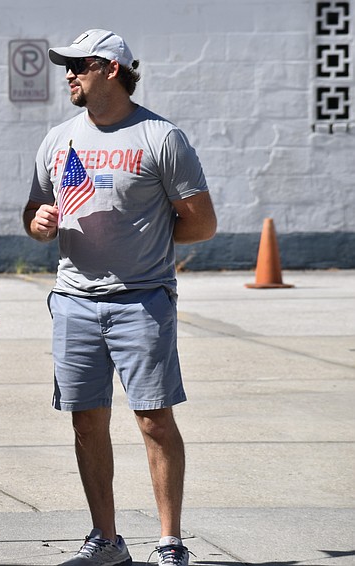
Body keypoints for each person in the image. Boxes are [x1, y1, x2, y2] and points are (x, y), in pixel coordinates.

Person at [23, 29, 217, 566]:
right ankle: (106, 541)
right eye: (67, 66)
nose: (68, 74)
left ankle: (170, 542)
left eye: (78, 65)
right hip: (74, 301)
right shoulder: (59, 138)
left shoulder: (161, 137)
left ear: (111, 68)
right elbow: (36, 211)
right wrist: (38, 224)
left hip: (143, 301)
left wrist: (146, 236)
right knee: (86, 420)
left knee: (154, 419)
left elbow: (201, 224)